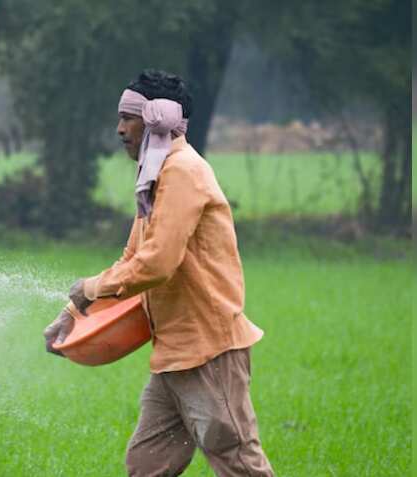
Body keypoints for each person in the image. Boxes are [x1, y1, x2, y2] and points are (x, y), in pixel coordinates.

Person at [43, 69, 274, 477]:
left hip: (208, 353)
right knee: (147, 464)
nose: (119, 129)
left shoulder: (183, 171)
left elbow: (157, 264)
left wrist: (91, 287)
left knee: (239, 463)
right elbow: (133, 258)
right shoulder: (155, 175)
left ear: (157, 119)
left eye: (128, 117)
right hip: (173, 355)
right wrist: (75, 313)